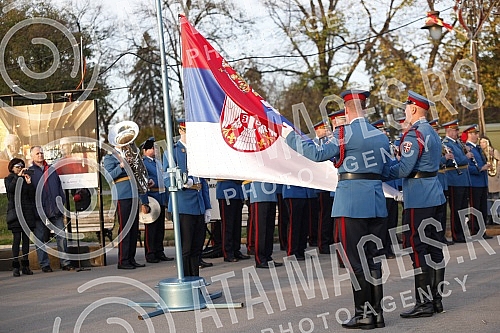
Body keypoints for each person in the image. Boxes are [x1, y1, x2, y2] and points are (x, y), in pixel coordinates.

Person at [285, 89, 389, 329]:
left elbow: (316, 153)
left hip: (351, 203)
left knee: (355, 261)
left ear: (346, 109)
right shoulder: (380, 136)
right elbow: (387, 169)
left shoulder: (344, 133)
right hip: (375, 201)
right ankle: (377, 314)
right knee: (373, 259)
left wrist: (290, 136)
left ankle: (363, 315)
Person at [389, 91, 447, 318]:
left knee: (417, 247)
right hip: (435, 193)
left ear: (413, 109)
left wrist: (383, 171)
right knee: (434, 247)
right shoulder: (431, 131)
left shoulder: (414, 134)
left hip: (419, 197)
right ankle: (437, 300)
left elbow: (404, 169)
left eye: (406, 108)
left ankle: (424, 304)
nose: (405, 112)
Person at [163, 119, 211, 277]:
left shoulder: (199, 151)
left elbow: (202, 181)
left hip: (198, 205)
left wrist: (207, 206)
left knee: (197, 247)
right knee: (186, 248)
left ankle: (195, 280)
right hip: (183, 205)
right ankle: (185, 280)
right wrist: (184, 182)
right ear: (181, 131)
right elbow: (166, 178)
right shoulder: (172, 151)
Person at [28, 146, 75, 272]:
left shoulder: (52, 170)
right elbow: (28, 194)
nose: (40, 155)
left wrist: (61, 203)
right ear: (32, 156)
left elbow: (59, 188)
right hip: (39, 212)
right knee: (40, 239)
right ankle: (45, 265)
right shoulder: (30, 172)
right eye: (37, 153)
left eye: (42, 153)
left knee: (62, 237)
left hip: (55, 211)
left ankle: (65, 263)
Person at [103, 134, 145, 270]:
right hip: (122, 194)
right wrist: (121, 166)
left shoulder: (131, 154)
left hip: (133, 193)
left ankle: (131, 258)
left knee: (133, 229)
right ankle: (123, 260)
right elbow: (108, 176)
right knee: (125, 228)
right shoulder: (109, 157)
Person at [140, 137, 173, 263]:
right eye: (152, 148)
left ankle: (159, 251)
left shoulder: (157, 162)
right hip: (152, 196)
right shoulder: (144, 163)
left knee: (160, 227)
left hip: (160, 195)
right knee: (151, 228)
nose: (154, 150)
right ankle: (150, 252)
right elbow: (143, 181)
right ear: (145, 150)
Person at [442, 120, 472, 243]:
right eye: (455, 130)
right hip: (454, 179)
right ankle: (456, 234)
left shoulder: (458, 143)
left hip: (463, 179)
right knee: (456, 208)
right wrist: (466, 157)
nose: (457, 132)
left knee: (463, 209)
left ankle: (461, 233)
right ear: (449, 131)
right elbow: (454, 161)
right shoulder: (446, 144)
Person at [5, 158, 36, 276]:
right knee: (16, 239)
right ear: (12, 168)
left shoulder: (25, 179)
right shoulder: (9, 179)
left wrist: (29, 183)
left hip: (27, 213)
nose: (20, 168)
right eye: (17, 166)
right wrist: (18, 177)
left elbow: (32, 195)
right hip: (15, 213)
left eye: (22, 166)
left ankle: (26, 266)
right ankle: (15, 267)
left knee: (26, 241)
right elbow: (10, 190)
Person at [462, 125, 492, 239]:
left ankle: (482, 230)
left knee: (483, 208)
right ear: (469, 135)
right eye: (474, 133)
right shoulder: (467, 148)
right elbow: (467, 167)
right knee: (476, 209)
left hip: (482, 182)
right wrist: (480, 168)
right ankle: (475, 230)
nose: (477, 135)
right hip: (474, 182)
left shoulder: (477, 148)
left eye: (477, 133)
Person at [248, 181, 283, 268]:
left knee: (269, 229)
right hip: (259, 194)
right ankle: (260, 259)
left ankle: (268, 257)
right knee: (261, 230)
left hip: (271, 194)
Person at [216, 179, 249, 262]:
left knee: (237, 224)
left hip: (237, 192)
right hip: (226, 191)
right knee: (228, 225)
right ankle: (227, 252)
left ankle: (235, 250)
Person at [479, 136, 500, 224]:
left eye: (484, 142)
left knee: (495, 198)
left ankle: (496, 216)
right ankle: (488, 216)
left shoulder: (494, 151)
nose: (482, 144)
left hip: (494, 178)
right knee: (487, 199)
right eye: (481, 142)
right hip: (485, 178)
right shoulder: (480, 152)